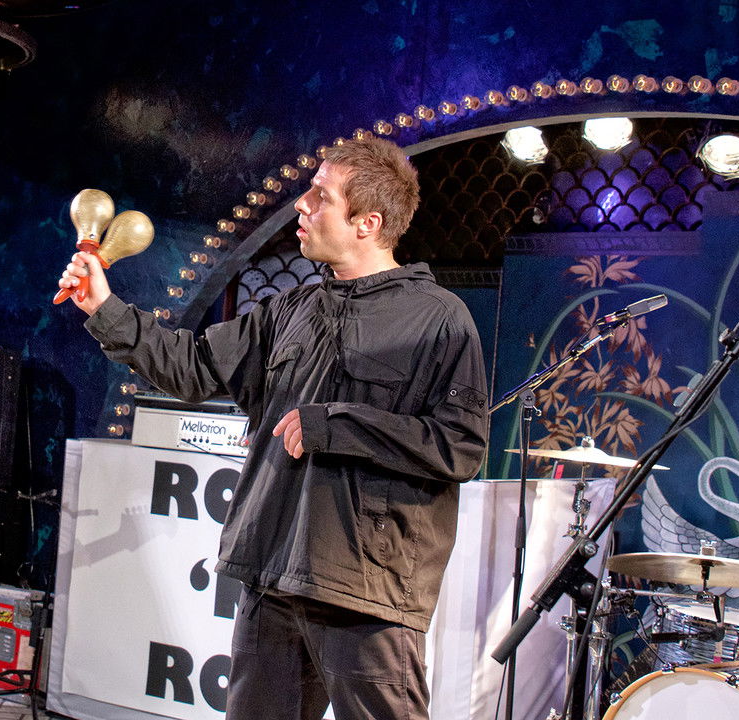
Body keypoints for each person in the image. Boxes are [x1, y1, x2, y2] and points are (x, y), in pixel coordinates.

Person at [58, 137, 489, 719]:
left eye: (321, 196)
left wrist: (335, 424)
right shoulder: (291, 309)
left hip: (365, 592)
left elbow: (459, 445)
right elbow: (191, 367)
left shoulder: (439, 319)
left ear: (367, 223)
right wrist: (103, 307)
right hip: (272, 577)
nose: (301, 206)